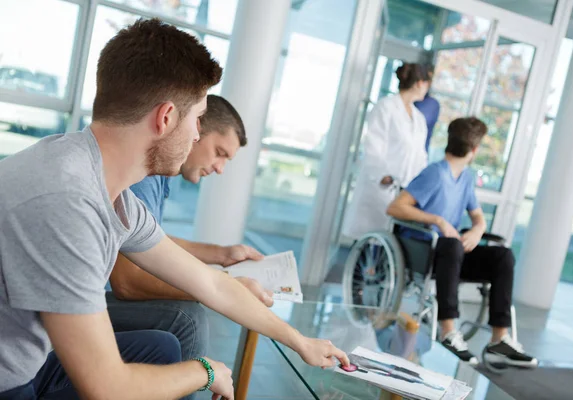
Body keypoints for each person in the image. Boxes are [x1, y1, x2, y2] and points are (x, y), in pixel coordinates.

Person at [0, 18, 348, 400]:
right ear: (165, 118)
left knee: (163, 350)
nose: (198, 133)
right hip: (10, 383)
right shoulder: (67, 202)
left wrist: (301, 341)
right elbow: (108, 388)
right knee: (177, 363)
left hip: (33, 360)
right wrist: (204, 371)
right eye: (198, 118)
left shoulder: (106, 187)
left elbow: (211, 283)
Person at [106, 94, 272, 399]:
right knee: (187, 317)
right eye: (219, 152)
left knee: (187, 315)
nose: (220, 168)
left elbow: (149, 241)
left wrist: (221, 255)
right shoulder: (144, 177)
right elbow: (126, 282)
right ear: (195, 130)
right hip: (85, 298)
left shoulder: (157, 179)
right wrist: (215, 287)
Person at [386, 117, 537, 368]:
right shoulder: (435, 173)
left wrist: (478, 230)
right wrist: (438, 220)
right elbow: (395, 207)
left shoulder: (465, 178)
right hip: (424, 252)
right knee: (452, 244)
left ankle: (499, 338)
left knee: (503, 255)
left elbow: (478, 217)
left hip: (450, 254)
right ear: (475, 150)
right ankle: (448, 332)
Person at [342, 63, 431, 240]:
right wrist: (382, 175)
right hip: (381, 187)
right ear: (420, 83)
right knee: (368, 243)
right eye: (427, 84)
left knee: (390, 248)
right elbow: (373, 147)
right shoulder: (385, 107)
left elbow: (420, 156)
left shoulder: (419, 119)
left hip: (404, 192)